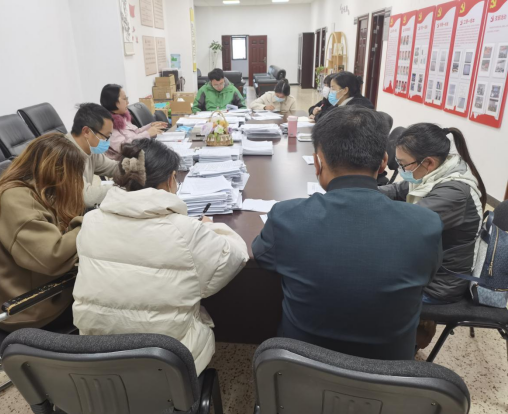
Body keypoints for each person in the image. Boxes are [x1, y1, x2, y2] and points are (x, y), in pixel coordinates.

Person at [252, 106, 443, 361]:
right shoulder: (426, 225)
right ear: (383, 162)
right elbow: (426, 275)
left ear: (318, 163)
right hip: (390, 374)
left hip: (300, 367)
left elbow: (261, 259)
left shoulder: (286, 217)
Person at [72, 138, 249, 374]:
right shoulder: (186, 231)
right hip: (165, 359)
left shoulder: (91, 221)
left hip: (96, 353)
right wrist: (211, 227)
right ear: (170, 179)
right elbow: (234, 258)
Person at [0, 134, 85, 332]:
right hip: (28, 311)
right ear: (58, 173)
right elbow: (52, 256)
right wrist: (87, 224)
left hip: (24, 298)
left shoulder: (23, 191)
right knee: (109, 303)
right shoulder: (14, 200)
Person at [379, 124, 487, 305]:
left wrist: (365, 206)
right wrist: (361, 190)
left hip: (438, 285)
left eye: (403, 164)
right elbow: (397, 190)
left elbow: (404, 225)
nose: (400, 169)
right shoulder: (434, 172)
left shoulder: (454, 192)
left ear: (428, 162)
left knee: (364, 288)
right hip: (423, 267)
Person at [66, 103, 119, 208]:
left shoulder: (89, 148)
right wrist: (123, 187)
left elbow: (113, 167)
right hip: (61, 215)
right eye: (106, 137)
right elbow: (87, 197)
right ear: (86, 132)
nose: (107, 142)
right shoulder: (66, 155)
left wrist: (135, 169)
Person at [100, 84, 167, 160]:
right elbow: (123, 147)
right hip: (126, 161)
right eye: (124, 99)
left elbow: (136, 132)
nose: (128, 102)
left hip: (137, 154)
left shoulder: (122, 117)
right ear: (113, 101)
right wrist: (147, 133)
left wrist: (151, 126)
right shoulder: (108, 125)